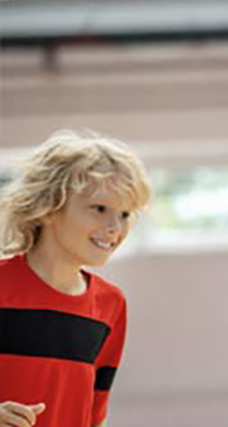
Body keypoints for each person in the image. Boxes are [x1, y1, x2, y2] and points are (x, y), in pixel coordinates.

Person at [0, 129, 152, 427]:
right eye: (99, 209)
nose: (114, 227)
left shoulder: (110, 305)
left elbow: (95, 417)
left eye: (124, 214)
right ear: (48, 207)